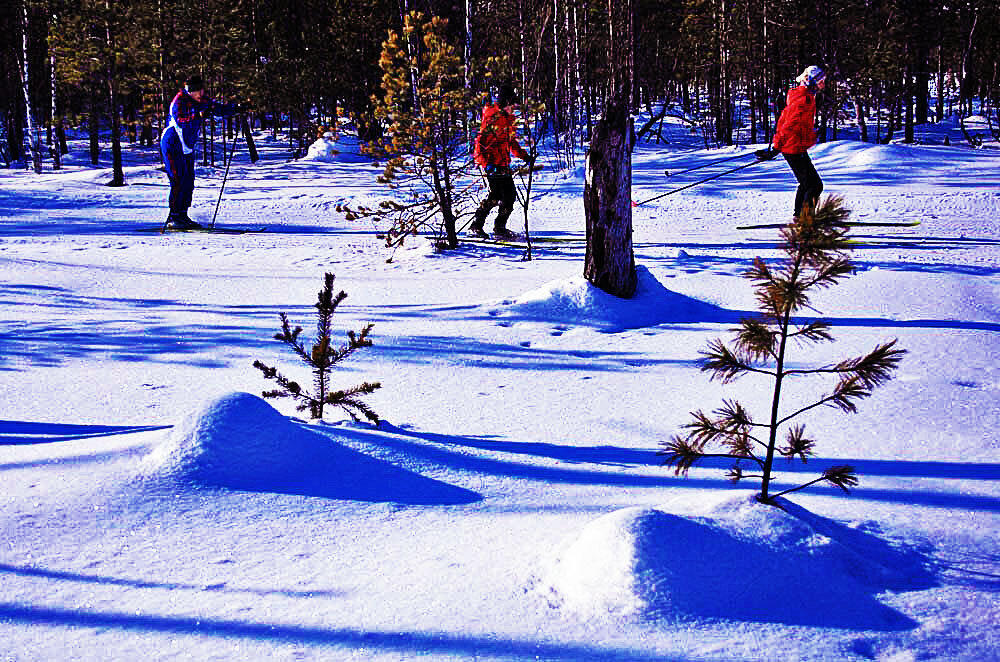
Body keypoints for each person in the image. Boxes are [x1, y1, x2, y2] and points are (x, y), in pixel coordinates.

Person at [160, 75, 241, 229]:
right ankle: (174, 216)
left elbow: (217, 109)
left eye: (200, 90)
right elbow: (181, 120)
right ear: (189, 91)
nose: (199, 94)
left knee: (189, 180)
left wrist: (237, 108)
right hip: (172, 143)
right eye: (196, 91)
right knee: (178, 179)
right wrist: (198, 115)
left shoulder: (202, 100)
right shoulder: (180, 101)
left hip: (187, 146)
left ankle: (182, 215)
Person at [756, 65, 826, 218]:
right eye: (821, 81)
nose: (823, 84)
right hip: (793, 147)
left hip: (795, 146)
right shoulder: (804, 99)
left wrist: (810, 135)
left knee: (807, 184)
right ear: (811, 81)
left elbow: (786, 121)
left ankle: (799, 216)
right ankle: (805, 220)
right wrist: (776, 147)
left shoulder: (804, 96)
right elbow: (788, 125)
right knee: (815, 186)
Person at [471, 84, 532, 239]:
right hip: (491, 163)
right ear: (506, 103)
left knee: (510, 196)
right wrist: (485, 163)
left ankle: (500, 227)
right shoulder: (492, 118)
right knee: (496, 195)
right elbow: (479, 141)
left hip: (503, 163)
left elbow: (511, 142)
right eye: (513, 104)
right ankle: (476, 225)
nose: (515, 107)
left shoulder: (509, 120)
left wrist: (524, 156)